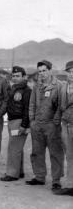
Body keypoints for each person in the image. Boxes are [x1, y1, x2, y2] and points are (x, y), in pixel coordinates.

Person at [26, 60, 64, 191]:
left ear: (50, 70)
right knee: (37, 152)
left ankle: (56, 180)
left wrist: (56, 121)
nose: (42, 73)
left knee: (55, 153)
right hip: (37, 125)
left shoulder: (59, 86)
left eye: (44, 70)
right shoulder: (37, 86)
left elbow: (61, 106)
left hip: (52, 125)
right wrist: (32, 121)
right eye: (40, 71)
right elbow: (31, 104)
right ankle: (39, 177)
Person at [0, 66, 31, 182]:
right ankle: (19, 171)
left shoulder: (27, 91)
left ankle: (12, 174)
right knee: (18, 148)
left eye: (18, 76)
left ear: (24, 77)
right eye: (13, 76)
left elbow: (27, 109)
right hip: (12, 121)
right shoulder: (14, 88)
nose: (15, 78)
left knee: (14, 148)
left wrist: (24, 125)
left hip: (19, 122)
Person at [54, 61, 73, 196]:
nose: (72, 74)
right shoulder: (63, 87)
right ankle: (71, 185)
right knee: (70, 156)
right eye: (70, 71)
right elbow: (60, 106)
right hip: (66, 124)